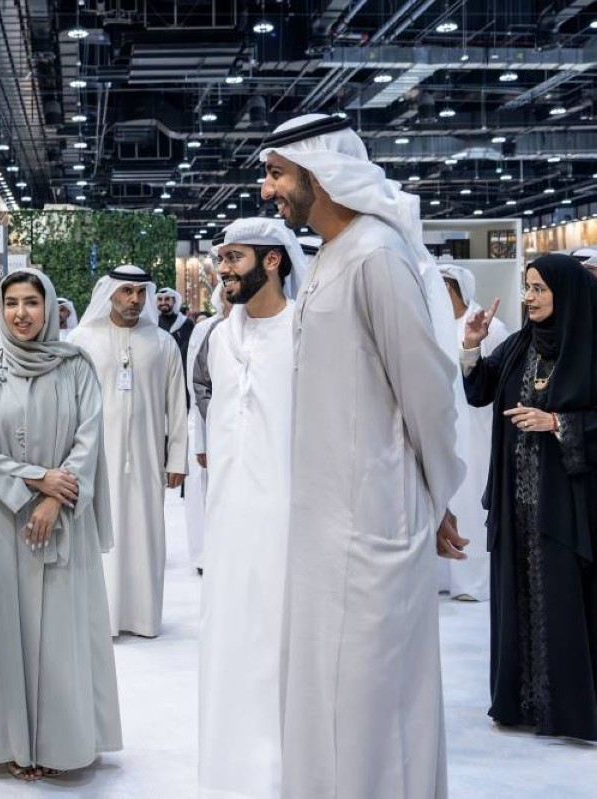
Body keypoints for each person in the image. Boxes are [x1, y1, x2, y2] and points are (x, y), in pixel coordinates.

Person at [259, 114, 466, 798]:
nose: (267, 189)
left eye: (277, 173)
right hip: (324, 525)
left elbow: (427, 391)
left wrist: (436, 496)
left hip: (374, 524)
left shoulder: (377, 255)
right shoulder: (330, 257)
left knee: (374, 703)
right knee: (324, 692)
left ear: (320, 174)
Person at [0, 268, 122, 781]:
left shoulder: (75, 367)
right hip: (0, 522)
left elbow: (88, 439)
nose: (21, 313)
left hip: (62, 518)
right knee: (5, 631)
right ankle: (8, 741)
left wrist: (53, 499)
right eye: (11, 303)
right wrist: (36, 480)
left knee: (61, 635)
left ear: (48, 307)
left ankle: (59, 743)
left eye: (31, 302)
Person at [460, 253, 597, 741]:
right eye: (527, 287)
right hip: (516, 501)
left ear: (566, 292)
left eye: (540, 288)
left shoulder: (589, 346)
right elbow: (480, 391)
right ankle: (522, 703)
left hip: (567, 506)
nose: (530, 297)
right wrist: (471, 347)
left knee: (564, 601)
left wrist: (557, 421)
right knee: (518, 595)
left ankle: (568, 710)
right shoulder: (520, 345)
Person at [198, 218, 306, 799]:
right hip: (228, 517)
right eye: (220, 258)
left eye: (234, 257)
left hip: (288, 517)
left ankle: (282, 769)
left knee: (279, 641)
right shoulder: (219, 337)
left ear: (272, 260)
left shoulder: (305, 329)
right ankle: (232, 766)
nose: (223, 268)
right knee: (230, 638)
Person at [70, 265, 188, 637]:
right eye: (126, 292)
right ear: (110, 294)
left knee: (144, 534)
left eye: (140, 292)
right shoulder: (82, 339)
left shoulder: (163, 343)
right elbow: (68, 402)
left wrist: (178, 458)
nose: (134, 299)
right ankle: (99, 618)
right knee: (98, 536)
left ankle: (142, 616)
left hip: (147, 458)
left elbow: (177, 405)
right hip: (95, 458)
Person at [438, 263, 512, 602]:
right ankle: (446, 576)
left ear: (450, 289)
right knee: (448, 500)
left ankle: (475, 581)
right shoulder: (436, 324)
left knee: (472, 503)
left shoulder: (490, 327)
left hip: (479, 430)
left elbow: (500, 381)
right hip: (447, 428)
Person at [183, 283, 226, 575]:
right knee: (202, 494)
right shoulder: (205, 329)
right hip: (203, 423)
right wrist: (200, 441)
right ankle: (203, 557)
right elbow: (196, 383)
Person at [157, 287, 196, 362]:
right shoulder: (153, 323)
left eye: (167, 299)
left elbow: (192, 348)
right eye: (160, 299)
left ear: (174, 301)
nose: (163, 302)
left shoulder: (186, 322)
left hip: (182, 366)